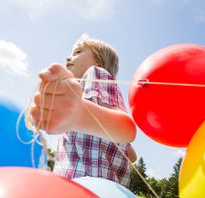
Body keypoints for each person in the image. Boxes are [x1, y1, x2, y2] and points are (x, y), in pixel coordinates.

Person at [29, 36, 137, 186]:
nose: (69, 57)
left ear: (98, 62)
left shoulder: (96, 74)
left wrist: (79, 115)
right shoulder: (77, 96)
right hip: (70, 184)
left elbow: (127, 130)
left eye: (77, 52)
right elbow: (131, 155)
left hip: (90, 188)